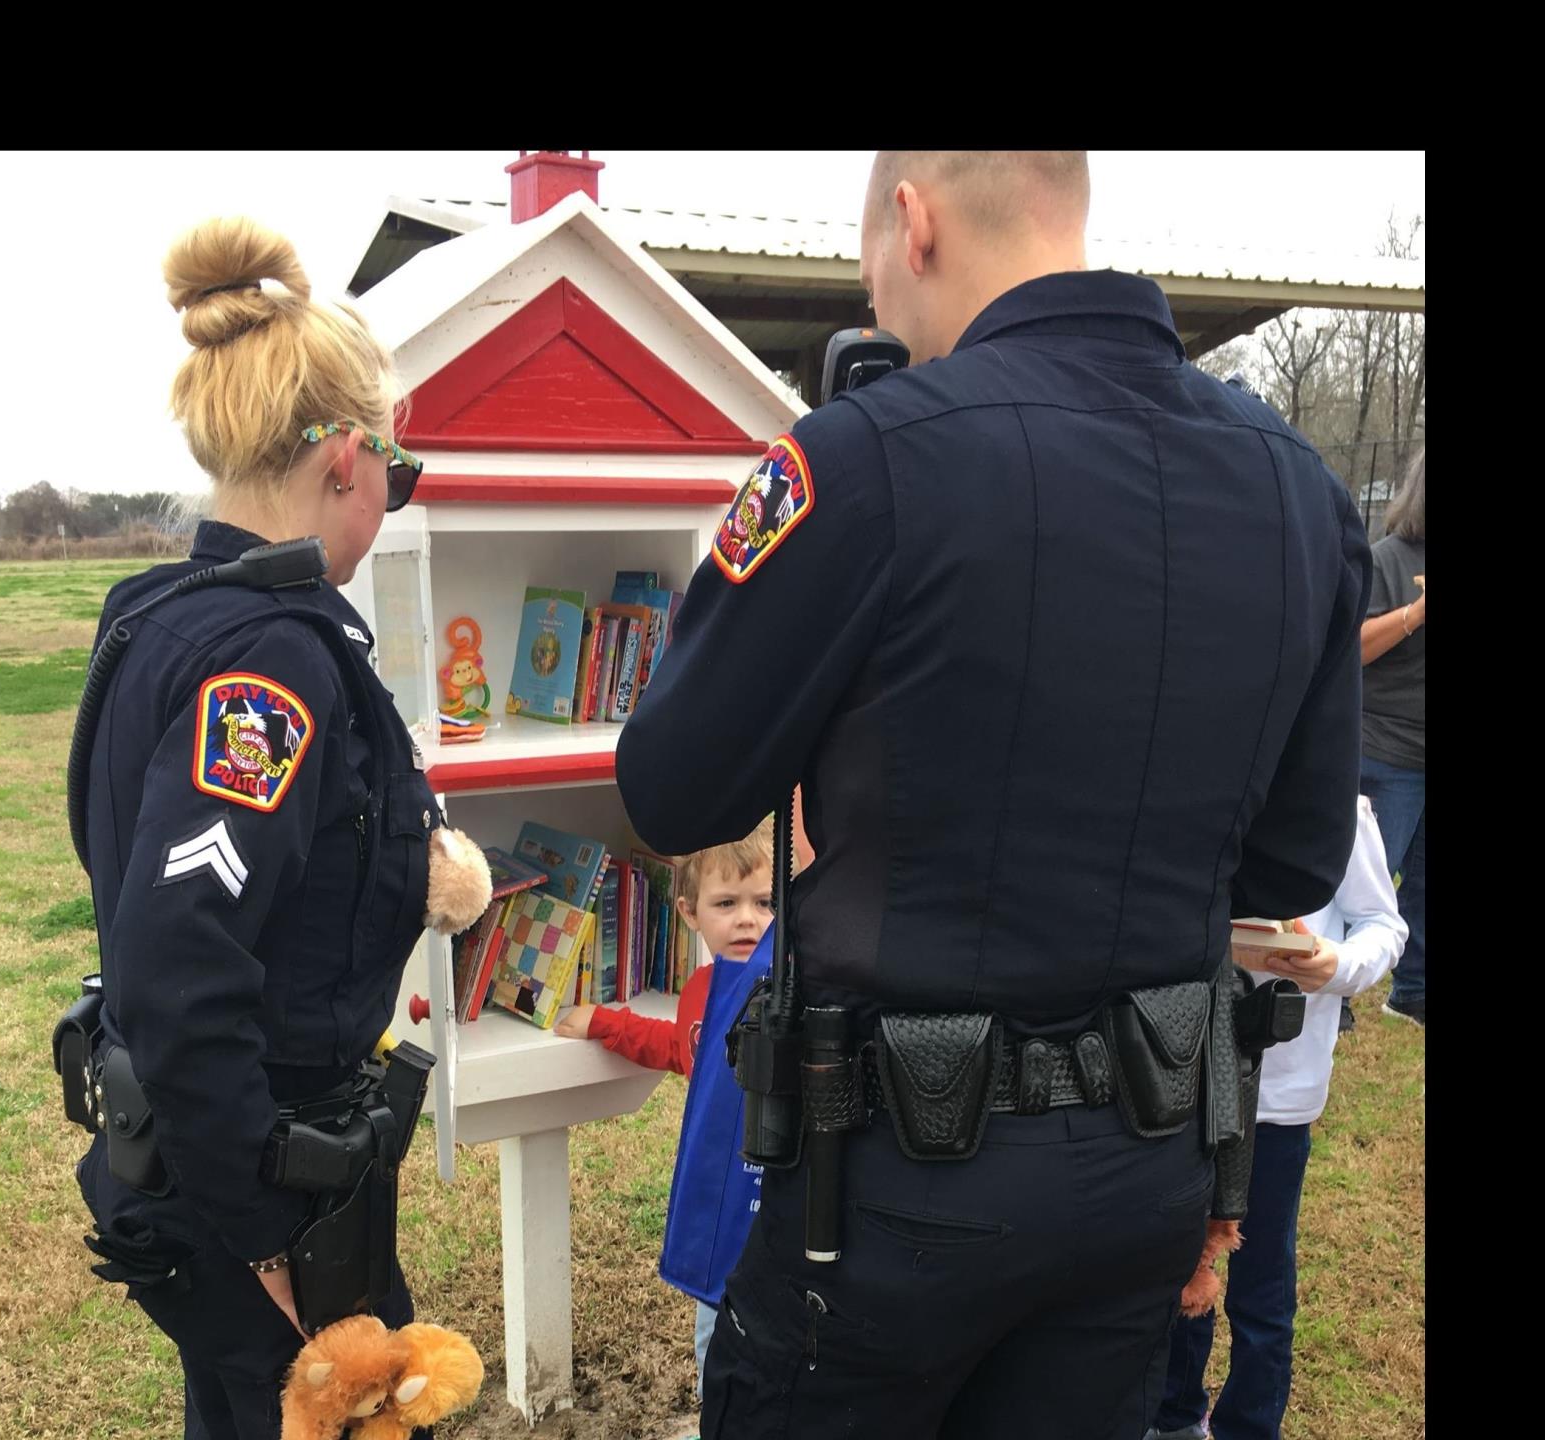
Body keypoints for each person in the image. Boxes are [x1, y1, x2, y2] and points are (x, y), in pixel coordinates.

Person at [614, 152, 1372, 1440]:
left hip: (892, 1193)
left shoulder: (860, 459)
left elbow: (675, 785)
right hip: (1145, 1172)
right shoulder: (1296, 484)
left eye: (869, 266)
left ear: (912, 222)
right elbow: (1296, 861)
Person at [70, 216, 441, 1440]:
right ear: (345, 459)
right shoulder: (273, 663)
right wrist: (269, 1234)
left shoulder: (171, 618)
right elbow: (182, 961)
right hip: (257, 1187)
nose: (397, 492)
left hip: (206, 1164)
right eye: (402, 465)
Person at [1146, 795, 1408, 1440]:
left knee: (1262, 1281)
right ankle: (1173, 1415)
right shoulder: (1186, 785)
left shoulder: (1336, 811)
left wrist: (1335, 964)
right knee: (1176, 1265)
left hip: (1279, 1095)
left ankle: (1250, 1426)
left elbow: (1383, 923)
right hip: (1174, 1078)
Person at [553, 823, 778, 1394]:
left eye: (765, 902)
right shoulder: (704, 989)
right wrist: (604, 1022)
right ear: (689, 912)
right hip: (722, 1190)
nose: (748, 919)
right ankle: (717, 1416)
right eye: (726, 903)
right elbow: (681, 1049)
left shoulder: (790, 986)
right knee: (715, 1322)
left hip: (776, 1190)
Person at [1355, 447, 1426, 1025]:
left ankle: (1413, 992)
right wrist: (1417, 611)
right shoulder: (1386, 559)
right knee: (1364, 874)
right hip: (1386, 749)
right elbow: (1354, 646)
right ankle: (1333, 988)